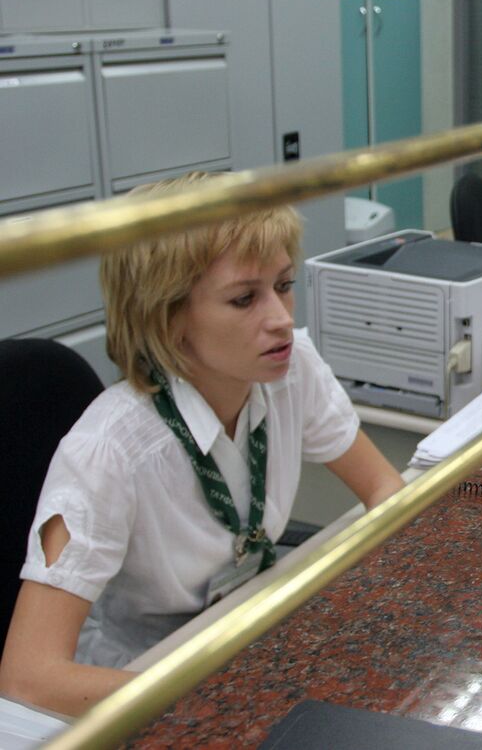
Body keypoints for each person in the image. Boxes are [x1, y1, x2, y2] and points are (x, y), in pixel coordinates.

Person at [0, 173, 405, 715]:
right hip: (144, 679)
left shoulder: (291, 370)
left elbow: (383, 487)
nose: (282, 321)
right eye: (244, 299)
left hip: (245, 629)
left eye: (284, 286)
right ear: (168, 320)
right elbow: (28, 675)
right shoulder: (108, 452)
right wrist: (215, 699)